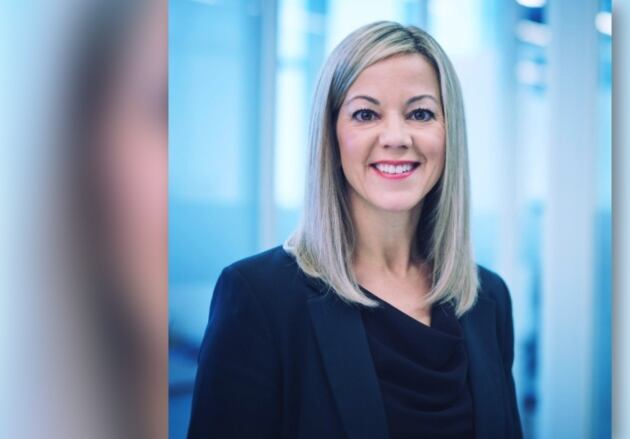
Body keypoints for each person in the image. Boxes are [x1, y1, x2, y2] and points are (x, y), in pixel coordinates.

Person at [188, 21, 523, 439]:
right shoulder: (259, 297)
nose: (396, 137)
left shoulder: (487, 298)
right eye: (366, 114)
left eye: (420, 113)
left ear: (448, 132)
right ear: (331, 135)